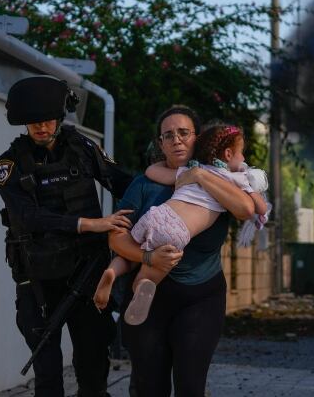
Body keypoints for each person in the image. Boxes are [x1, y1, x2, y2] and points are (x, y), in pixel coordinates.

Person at [0, 76, 133, 397]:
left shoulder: (84, 148)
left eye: (46, 120)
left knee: (93, 367)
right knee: (48, 375)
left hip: (87, 274)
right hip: (38, 281)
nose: (41, 127)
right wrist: (89, 224)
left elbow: (121, 181)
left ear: (60, 117)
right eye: (33, 123)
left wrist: (169, 189)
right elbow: (28, 218)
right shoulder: (8, 164)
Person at [110, 105, 256, 397]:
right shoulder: (144, 184)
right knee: (150, 388)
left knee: (191, 386)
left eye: (183, 133)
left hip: (201, 297)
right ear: (160, 144)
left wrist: (200, 176)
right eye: (168, 135)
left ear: (198, 138)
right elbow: (116, 238)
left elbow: (246, 209)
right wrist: (148, 257)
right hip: (149, 297)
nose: (176, 139)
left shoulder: (220, 179)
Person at [92, 124, 269, 325]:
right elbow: (260, 209)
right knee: (152, 271)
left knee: (130, 253)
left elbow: (152, 171)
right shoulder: (236, 180)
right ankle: (142, 285)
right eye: (242, 154)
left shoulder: (193, 169)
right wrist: (254, 189)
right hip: (177, 231)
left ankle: (112, 272)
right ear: (228, 154)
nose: (244, 159)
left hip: (157, 214)